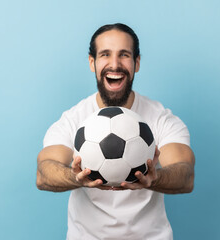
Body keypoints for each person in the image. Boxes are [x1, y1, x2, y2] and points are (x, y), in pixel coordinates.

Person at [36, 23, 195, 240]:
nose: (114, 64)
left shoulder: (161, 118)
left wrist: (155, 179)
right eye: (105, 55)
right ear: (92, 62)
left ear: (136, 63)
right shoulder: (74, 120)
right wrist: (74, 177)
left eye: (124, 55)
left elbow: (185, 175)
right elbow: (43, 173)